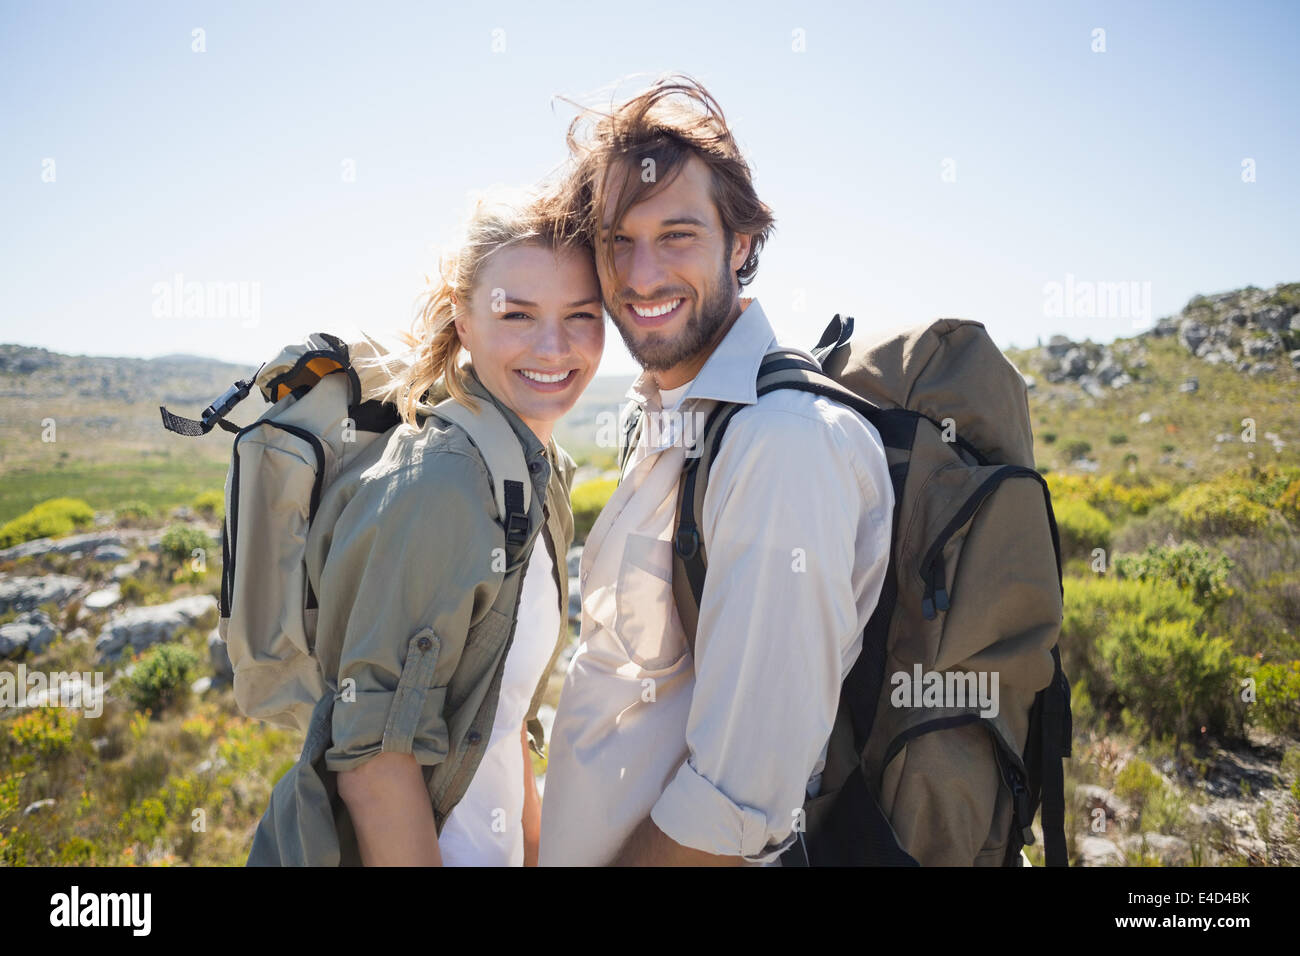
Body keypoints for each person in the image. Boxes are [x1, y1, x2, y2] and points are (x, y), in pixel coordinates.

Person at [538, 76, 895, 865]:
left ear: (739, 243)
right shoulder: (670, 417)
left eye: (676, 234)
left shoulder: (783, 447)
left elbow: (736, 801)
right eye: (616, 240)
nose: (639, 274)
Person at [254, 189, 604, 866]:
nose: (554, 347)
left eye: (580, 315)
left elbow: (502, 722)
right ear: (462, 318)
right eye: (518, 314)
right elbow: (374, 766)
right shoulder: (442, 483)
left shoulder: (539, 474)